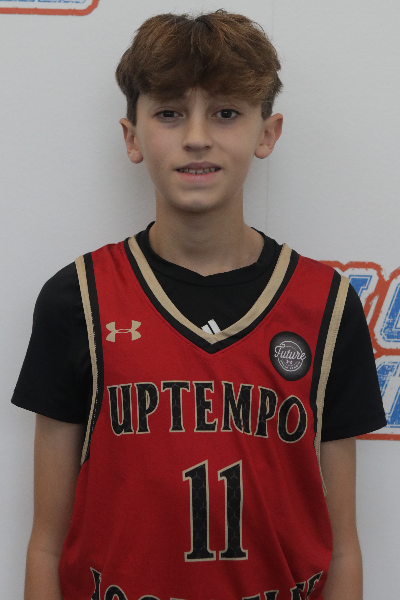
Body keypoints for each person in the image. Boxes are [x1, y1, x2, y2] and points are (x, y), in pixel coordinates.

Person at [12, 10, 386, 600]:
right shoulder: (77, 299)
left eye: (226, 112)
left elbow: (341, 550)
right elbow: (46, 547)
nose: (196, 136)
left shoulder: (327, 306)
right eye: (168, 112)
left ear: (268, 133)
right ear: (132, 136)